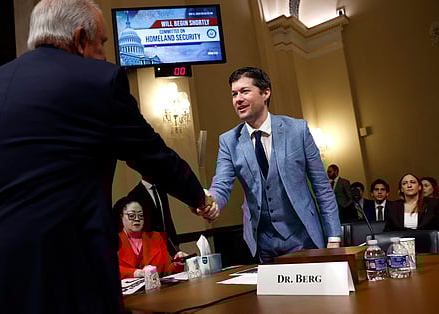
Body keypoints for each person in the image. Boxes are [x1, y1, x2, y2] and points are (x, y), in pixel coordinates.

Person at [0, 1, 214, 313]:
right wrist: (196, 195)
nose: (105, 56)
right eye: (102, 43)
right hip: (56, 277)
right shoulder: (98, 81)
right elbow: (150, 154)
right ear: (80, 39)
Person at [202, 67, 342, 263]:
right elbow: (221, 185)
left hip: (304, 238)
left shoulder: (297, 130)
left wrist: (334, 237)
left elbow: (322, 188)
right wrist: (211, 203)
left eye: (244, 91)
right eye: (234, 94)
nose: (238, 99)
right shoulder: (228, 140)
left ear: (265, 93)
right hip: (263, 244)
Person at [115, 197, 183, 279]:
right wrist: (136, 273)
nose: (137, 219)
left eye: (140, 215)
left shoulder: (156, 237)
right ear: (121, 217)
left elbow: (168, 270)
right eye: (132, 215)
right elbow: (108, 271)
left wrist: (177, 264)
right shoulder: (113, 240)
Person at [123, 176, 181, 258]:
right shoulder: (135, 194)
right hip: (149, 250)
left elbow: (167, 218)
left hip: (169, 246)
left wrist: (175, 243)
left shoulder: (161, 190)